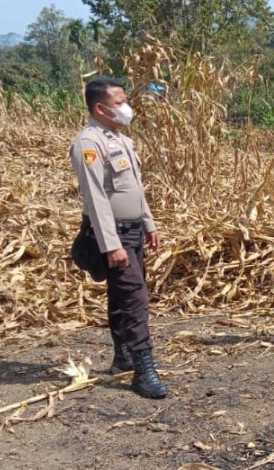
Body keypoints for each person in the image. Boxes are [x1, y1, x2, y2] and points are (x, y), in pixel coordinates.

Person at [69, 77, 167, 399]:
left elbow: (133, 188)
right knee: (135, 298)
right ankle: (143, 370)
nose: (127, 107)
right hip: (115, 235)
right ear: (100, 108)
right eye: (119, 102)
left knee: (121, 295)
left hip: (133, 229)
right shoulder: (89, 142)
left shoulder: (121, 139)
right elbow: (96, 197)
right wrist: (111, 244)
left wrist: (149, 223)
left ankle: (122, 356)